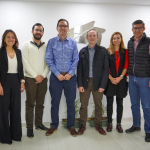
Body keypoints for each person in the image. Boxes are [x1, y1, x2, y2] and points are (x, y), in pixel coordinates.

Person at [46, 19, 79, 137]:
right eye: (60, 26)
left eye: (65, 26)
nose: (63, 28)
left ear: (68, 28)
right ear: (57, 28)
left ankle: (71, 126)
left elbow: (76, 59)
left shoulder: (73, 43)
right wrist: (57, 74)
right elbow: (49, 60)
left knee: (70, 103)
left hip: (70, 78)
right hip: (56, 77)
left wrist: (70, 73)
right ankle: (54, 125)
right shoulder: (51, 42)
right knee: (55, 103)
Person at [77, 29, 109, 135]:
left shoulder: (103, 51)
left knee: (98, 105)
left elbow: (105, 70)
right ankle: (82, 126)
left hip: (98, 83)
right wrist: (80, 84)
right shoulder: (82, 51)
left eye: (94, 35)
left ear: (97, 37)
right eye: (89, 35)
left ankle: (98, 125)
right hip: (85, 83)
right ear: (86, 38)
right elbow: (79, 70)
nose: (92, 37)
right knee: (83, 106)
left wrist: (103, 85)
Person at [22, 23, 49, 138]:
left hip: (43, 79)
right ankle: (29, 128)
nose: (38, 32)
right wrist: (35, 76)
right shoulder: (26, 45)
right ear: (32, 31)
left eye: (40, 30)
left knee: (40, 104)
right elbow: (25, 63)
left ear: (43, 32)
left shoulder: (46, 45)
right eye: (36, 30)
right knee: (30, 104)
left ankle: (38, 123)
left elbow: (49, 62)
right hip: (30, 79)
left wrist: (42, 75)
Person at [125, 20, 150, 142]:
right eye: (135, 28)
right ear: (132, 29)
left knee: (146, 106)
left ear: (144, 29)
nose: (137, 30)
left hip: (145, 78)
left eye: (140, 28)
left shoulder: (148, 41)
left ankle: (149, 130)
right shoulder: (130, 42)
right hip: (132, 78)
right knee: (134, 104)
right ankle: (136, 125)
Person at [0, 29, 25, 144]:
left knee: (16, 109)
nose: (11, 39)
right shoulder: (0, 52)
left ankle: (16, 134)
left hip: (16, 81)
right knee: (4, 110)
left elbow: (20, 68)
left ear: (15, 39)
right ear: (4, 39)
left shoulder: (18, 52)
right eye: (8, 37)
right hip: (4, 82)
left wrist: (22, 81)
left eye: (13, 37)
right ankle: (5, 137)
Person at [104, 32, 128, 133]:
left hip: (121, 81)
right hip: (110, 80)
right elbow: (105, 66)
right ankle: (109, 123)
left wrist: (120, 77)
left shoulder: (125, 52)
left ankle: (119, 123)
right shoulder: (107, 51)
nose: (116, 40)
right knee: (109, 103)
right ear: (112, 40)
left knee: (120, 103)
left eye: (118, 38)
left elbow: (126, 66)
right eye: (114, 38)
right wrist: (111, 78)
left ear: (121, 39)